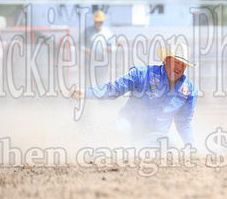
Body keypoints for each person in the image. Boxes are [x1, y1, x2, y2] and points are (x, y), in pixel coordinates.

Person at [70, 43, 198, 147]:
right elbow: (114, 89)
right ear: (166, 60)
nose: (179, 68)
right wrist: (87, 92)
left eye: (183, 65)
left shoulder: (190, 90)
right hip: (129, 125)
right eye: (177, 62)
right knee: (119, 128)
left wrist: (191, 146)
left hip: (154, 137)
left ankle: (130, 149)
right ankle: (85, 139)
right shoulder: (142, 73)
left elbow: (183, 122)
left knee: (172, 142)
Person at [82, 10, 115, 86]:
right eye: (97, 21)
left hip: (103, 62)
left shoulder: (107, 32)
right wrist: (86, 50)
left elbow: (114, 46)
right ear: (94, 21)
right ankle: (88, 95)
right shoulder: (88, 31)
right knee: (88, 81)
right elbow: (79, 44)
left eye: (100, 21)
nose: (99, 23)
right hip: (89, 61)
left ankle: (99, 96)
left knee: (101, 82)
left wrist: (109, 49)